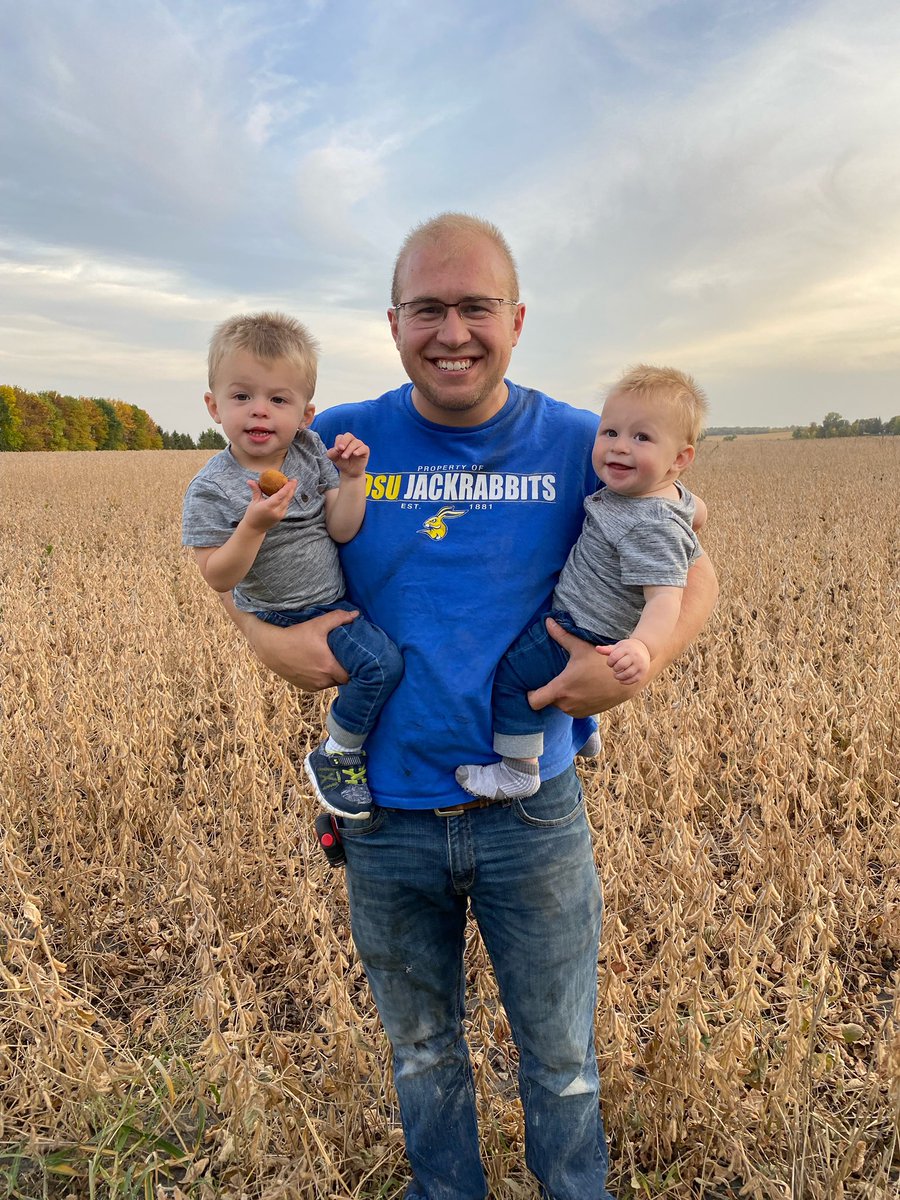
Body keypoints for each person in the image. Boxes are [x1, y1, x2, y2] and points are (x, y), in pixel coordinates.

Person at [218, 215, 719, 1200]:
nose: (454, 331)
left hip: (532, 818)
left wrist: (641, 662)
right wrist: (272, 644)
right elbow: (243, 575)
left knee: (562, 1062)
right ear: (395, 321)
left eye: (476, 307)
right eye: (429, 309)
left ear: (517, 318)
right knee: (422, 1056)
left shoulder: (593, 444)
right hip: (385, 818)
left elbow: (695, 579)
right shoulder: (333, 442)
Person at [181, 311, 403, 820]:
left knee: (387, 662)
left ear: (306, 414)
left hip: (331, 599)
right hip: (286, 613)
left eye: (278, 399)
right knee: (381, 666)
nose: (260, 412)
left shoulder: (308, 453)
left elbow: (341, 528)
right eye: (242, 397)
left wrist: (351, 480)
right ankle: (338, 751)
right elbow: (218, 576)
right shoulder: (212, 488)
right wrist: (253, 526)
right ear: (214, 406)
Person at [456, 364, 708, 801]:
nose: (619, 448)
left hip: (582, 628)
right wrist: (692, 516)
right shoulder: (661, 495)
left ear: (680, 459)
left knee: (513, 677)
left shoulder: (649, 523)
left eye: (641, 438)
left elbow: (666, 596)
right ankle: (582, 732)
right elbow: (696, 513)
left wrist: (644, 648)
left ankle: (516, 769)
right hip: (586, 621)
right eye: (609, 432)